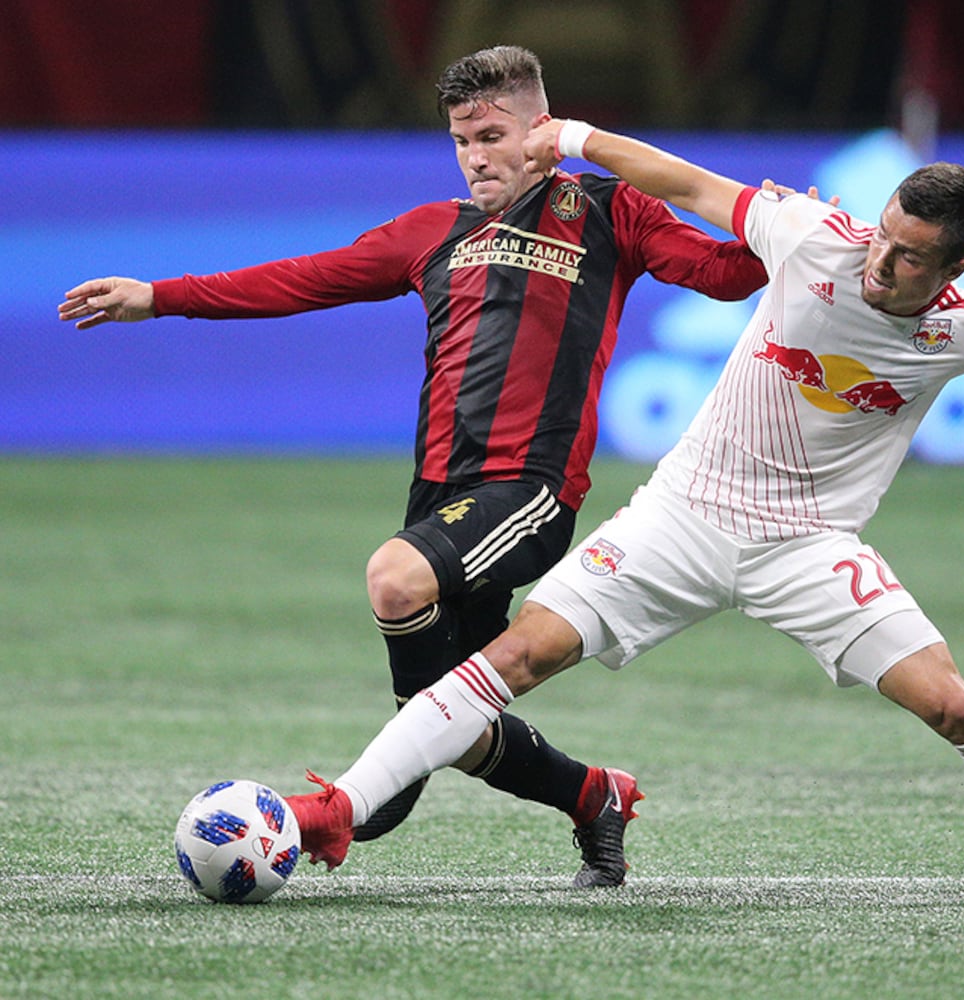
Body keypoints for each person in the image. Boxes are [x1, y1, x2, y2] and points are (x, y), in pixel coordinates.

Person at [276, 117, 964, 901]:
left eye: (907, 253)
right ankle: (338, 809)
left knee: (953, 707)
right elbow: (688, 183)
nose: (877, 258)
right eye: (880, 234)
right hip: (680, 518)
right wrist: (582, 134)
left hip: (808, 546)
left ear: (955, 266)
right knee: (515, 658)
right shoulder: (813, 237)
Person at [56, 47, 769, 887]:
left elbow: (726, 275)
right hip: (439, 494)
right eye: (462, 139)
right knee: (456, 720)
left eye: (493, 135)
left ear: (543, 130)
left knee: (395, 582)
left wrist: (787, 237)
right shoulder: (434, 230)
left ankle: (368, 800)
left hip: (528, 491)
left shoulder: (612, 211)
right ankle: (592, 796)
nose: (475, 156)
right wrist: (160, 294)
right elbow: (306, 278)